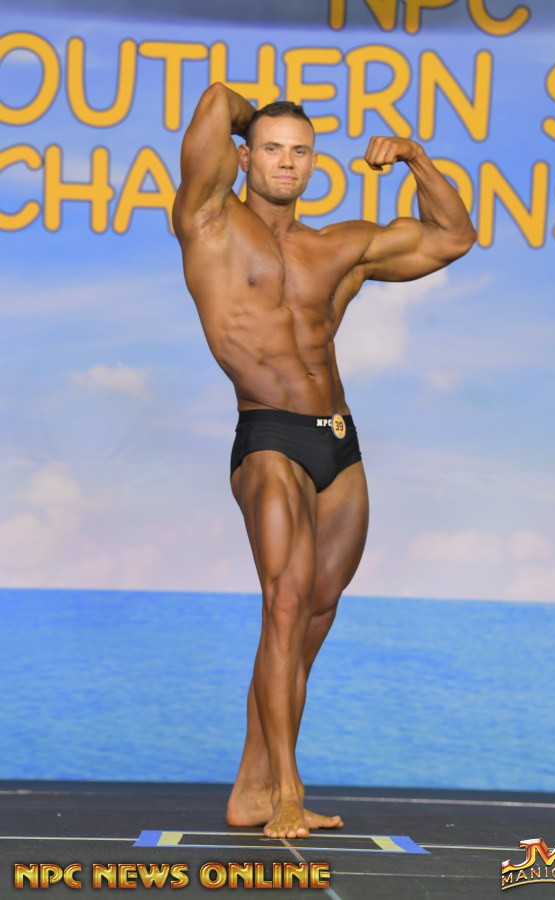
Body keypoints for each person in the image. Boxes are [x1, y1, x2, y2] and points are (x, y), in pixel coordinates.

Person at [173, 82, 477, 840]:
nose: (286, 162)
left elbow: (453, 237)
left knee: (313, 612)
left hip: (338, 442)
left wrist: (415, 157)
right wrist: (259, 116)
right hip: (268, 434)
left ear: (314, 164)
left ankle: (252, 785)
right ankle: (286, 791)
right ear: (245, 157)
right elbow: (214, 101)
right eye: (271, 149)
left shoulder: (337, 247)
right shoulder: (208, 222)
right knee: (283, 603)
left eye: (300, 152)